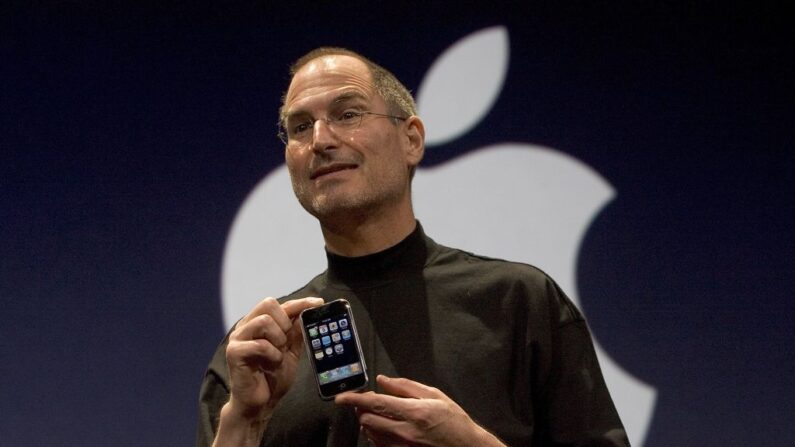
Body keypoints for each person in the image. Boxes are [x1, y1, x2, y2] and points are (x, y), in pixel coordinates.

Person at [197, 47, 629, 447]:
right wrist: (244, 421)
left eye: (347, 114)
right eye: (300, 126)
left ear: (412, 140)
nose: (321, 140)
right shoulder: (259, 353)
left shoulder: (517, 301)